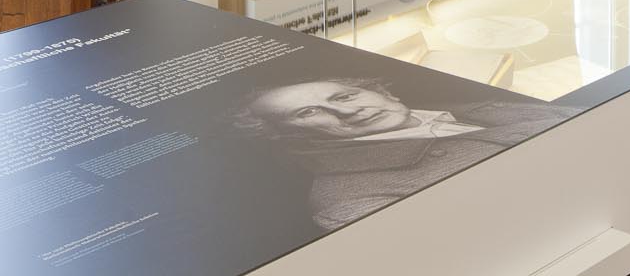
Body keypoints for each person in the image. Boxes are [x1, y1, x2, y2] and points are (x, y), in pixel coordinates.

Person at [235, 77, 565, 232]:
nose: (346, 111)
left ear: (384, 92)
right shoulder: (346, 202)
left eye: (345, 96)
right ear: (284, 134)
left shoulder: (475, 108)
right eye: (308, 112)